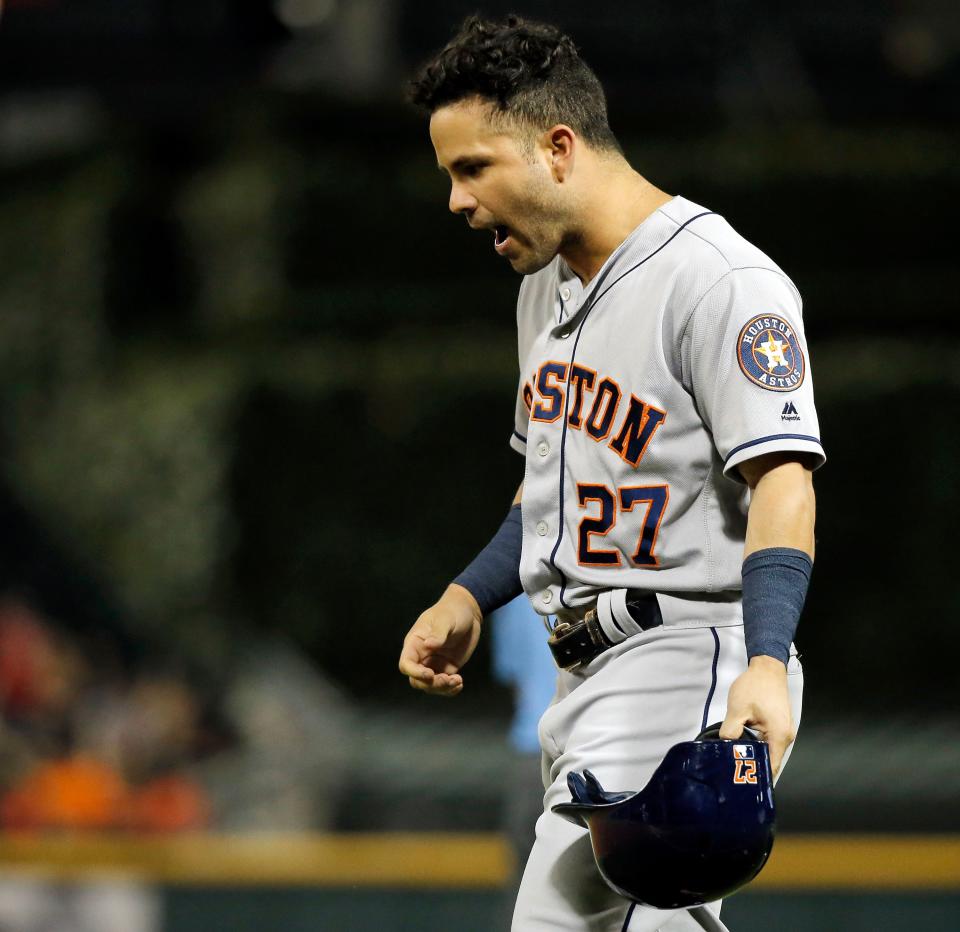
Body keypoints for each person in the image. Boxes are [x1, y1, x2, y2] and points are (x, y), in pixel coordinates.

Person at [397, 15, 822, 932]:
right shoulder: (540, 291)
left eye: (473, 168)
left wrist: (763, 664)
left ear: (558, 147)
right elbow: (547, 494)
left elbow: (784, 484)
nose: (457, 200)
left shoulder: (719, 281)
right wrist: (470, 595)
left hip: (688, 658)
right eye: (450, 175)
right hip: (583, 677)